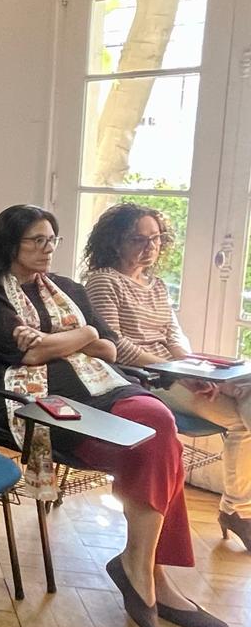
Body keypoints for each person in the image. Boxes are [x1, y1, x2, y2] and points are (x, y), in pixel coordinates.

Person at [0, 204, 226, 627]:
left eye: (52, 240)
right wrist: (82, 335)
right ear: (10, 244)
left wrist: (76, 339)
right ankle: (152, 579)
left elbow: (108, 347)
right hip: (43, 403)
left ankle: (140, 569)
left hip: (107, 387)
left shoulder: (68, 288)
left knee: (158, 423)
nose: (47, 249)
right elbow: (26, 355)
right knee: (157, 452)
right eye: (37, 240)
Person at [83, 202, 251, 551]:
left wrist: (193, 369)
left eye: (156, 239)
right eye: (138, 239)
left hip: (173, 374)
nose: (150, 247)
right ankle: (237, 511)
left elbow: (174, 336)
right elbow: (115, 344)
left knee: (244, 393)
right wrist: (174, 371)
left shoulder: (156, 284)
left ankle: (237, 510)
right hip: (143, 379)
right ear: (115, 242)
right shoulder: (102, 281)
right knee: (240, 422)